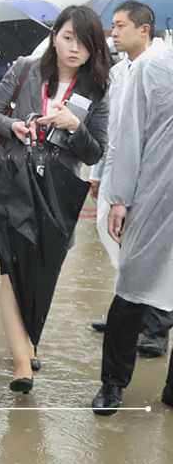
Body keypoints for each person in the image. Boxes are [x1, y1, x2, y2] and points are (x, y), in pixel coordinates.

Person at [0, 4, 110, 391]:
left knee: (43, 270)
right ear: (55, 35)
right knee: (12, 268)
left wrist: (73, 127)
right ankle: (22, 362)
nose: (74, 49)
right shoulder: (25, 68)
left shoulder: (97, 89)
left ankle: (28, 336)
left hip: (57, 190)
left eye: (84, 44)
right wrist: (14, 125)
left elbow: (95, 152)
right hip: (15, 182)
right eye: (68, 37)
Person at [91, 43, 173, 414]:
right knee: (132, 290)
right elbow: (129, 136)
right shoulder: (154, 68)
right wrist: (120, 198)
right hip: (155, 195)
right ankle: (113, 383)